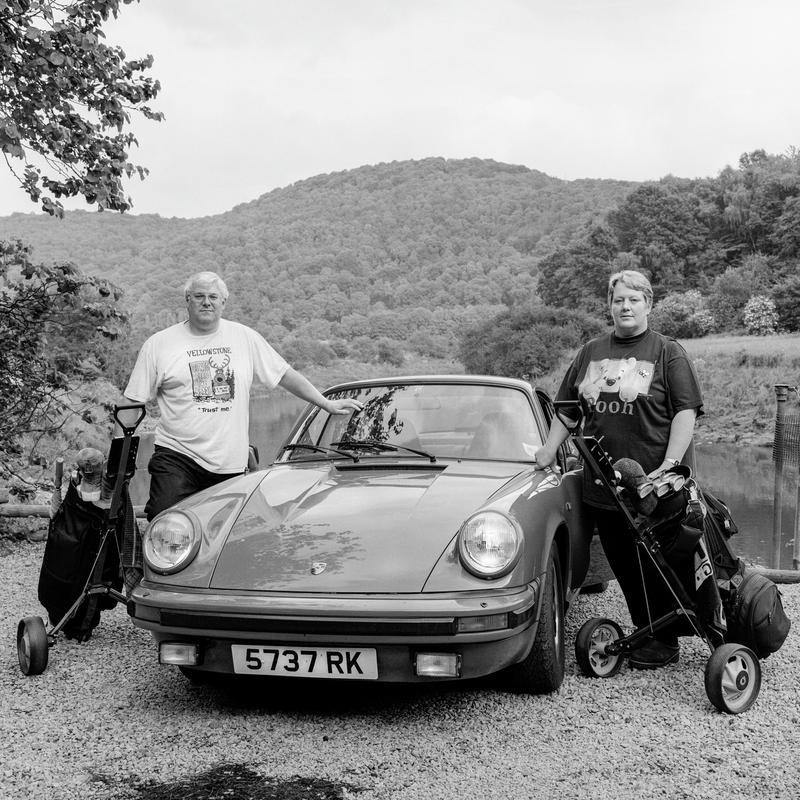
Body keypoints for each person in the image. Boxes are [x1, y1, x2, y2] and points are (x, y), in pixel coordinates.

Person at [535, 269, 704, 669]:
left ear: (648, 303)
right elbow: (570, 411)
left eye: (633, 299)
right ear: (609, 306)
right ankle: (649, 633)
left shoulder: (667, 351)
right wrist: (546, 451)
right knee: (626, 564)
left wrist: (670, 464)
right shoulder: (591, 352)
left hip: (656, 486)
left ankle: (666, 639)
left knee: (660, 561)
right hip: (605, 486)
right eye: (618, 300)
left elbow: (685, 411)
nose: (625, 307)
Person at [121, 271, 362, 521]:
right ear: (187, 300)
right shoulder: (159, 344)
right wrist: (118, 455)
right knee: (165, 521)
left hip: (231, 463)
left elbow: (284, 375)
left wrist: (325, 402)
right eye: (199, 296)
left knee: (230, 536)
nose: (207, 302)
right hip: (178, 457)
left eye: (213, 297)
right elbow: (132, 401)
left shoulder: (244, 337)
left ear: (223, 302)